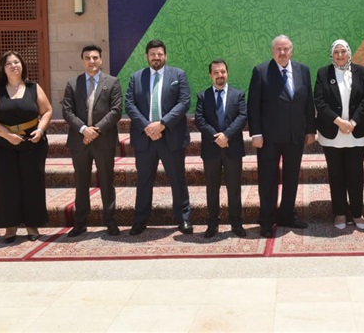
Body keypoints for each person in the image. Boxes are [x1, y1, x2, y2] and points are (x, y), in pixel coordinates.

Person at [0, 51, 52, 243]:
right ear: (2, 69)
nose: (13, 66)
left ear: (22, 65)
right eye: (8, 63)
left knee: (33, 184)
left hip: (32, 144)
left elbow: (47, 111)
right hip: (1, 145)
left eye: (16, 62)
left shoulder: (33, 87)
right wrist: (7, 135)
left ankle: (32, 225)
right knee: (6, 184)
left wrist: (41, 130)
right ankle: (10, 226)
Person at [248, 35, 316, 238]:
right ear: (272, 51)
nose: (282, 52)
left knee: (291, 177)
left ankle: (287, 215)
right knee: (268, 180)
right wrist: (256, 133)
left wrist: (310, 130)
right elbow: (253, 105)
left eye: (286, 49)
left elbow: (308, 102)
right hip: (269, 138)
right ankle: (267, 220)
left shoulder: (303, 70)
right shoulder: (261, 71)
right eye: (278, 49)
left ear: (291, 51)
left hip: (295, 136)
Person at [125, 39, 192, 235]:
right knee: (144, 181)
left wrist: (162, 124)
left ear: (165, 56)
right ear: (147, 56)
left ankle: (184, 219)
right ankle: (140, 220)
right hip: (145, 138)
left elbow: (184, 102)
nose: (156, 57)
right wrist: (147, 127)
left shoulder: (178, 75)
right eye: (153, 54)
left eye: (160, 54)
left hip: (171, 136)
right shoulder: (136, 77)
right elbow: (129, 105)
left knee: (177, 180)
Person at [61, 45, 123, 238]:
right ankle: (80, 223)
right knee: (81, 183)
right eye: (87, 58)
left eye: (95, 57)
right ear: (82, 60)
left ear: (101, 60)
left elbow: (116, 111)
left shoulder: (112, 82)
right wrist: (83, 129)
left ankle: (110, 222)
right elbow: (67, 111)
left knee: (107, 182)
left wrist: (96, 130)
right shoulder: (73, 83)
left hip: (104, 140)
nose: (91, 61)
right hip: (79, 141)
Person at [314, 40, 364, 230]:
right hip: (333, 132)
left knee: (356, 174)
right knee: (336, 174)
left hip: (357, 132)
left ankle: (357, 213)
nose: (340, 55)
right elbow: (320, 101)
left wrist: (352, 123)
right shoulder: (323, 73)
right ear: (331, 55)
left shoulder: (361, 71)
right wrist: (339, 122)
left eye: (343, 51)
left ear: (349, 53)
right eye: (336, 52)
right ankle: (340, 213)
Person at [194, 59, 248, 238]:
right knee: (212, 188)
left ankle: (236, 222)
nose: (220, 75)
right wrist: (217, 137)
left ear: (227, 73)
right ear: (210, 75)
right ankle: (212, 223)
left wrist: (227, 135)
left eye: (223, 72)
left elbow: (242, 116)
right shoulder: (203, 96)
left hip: (233, 148)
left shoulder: (238, 95)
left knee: (234, 188)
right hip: (211, 150)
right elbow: (200, 119)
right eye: (216, 72)